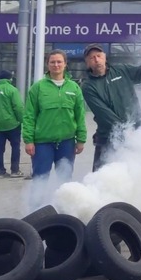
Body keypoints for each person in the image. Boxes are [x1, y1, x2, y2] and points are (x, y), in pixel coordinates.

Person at [82, 42, 141, 171]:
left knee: (134, 171)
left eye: (99, 56)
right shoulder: (88, 87)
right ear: (87, 62)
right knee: (102, 173)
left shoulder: (122, 70)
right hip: (108, 138)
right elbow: (104, 114)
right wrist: (125, 130)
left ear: (105, 57)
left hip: (134, 132)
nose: (96, 60)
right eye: (92, 58)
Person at [22, 49, 87, 186]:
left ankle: (62, 207)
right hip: (42, 143)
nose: (56, 65)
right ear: (47, 64)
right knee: (40, 180)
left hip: (67, 142)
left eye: (59, 62)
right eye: (52, 62)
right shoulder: (38, 88)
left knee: (65, 181)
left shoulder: (74, 88)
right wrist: (28, 140)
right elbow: (29, 116)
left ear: (65, 64)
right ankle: (37, 207)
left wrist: (81, 139)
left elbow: (80, 115)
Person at [0, 70, 24, 178]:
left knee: (0, 148)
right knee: (15, 147)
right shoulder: (12, 90)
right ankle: (15, 170)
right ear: (9, 79)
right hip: (12, 124)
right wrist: (21, 120)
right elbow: (18, 107)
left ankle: (1, 171)